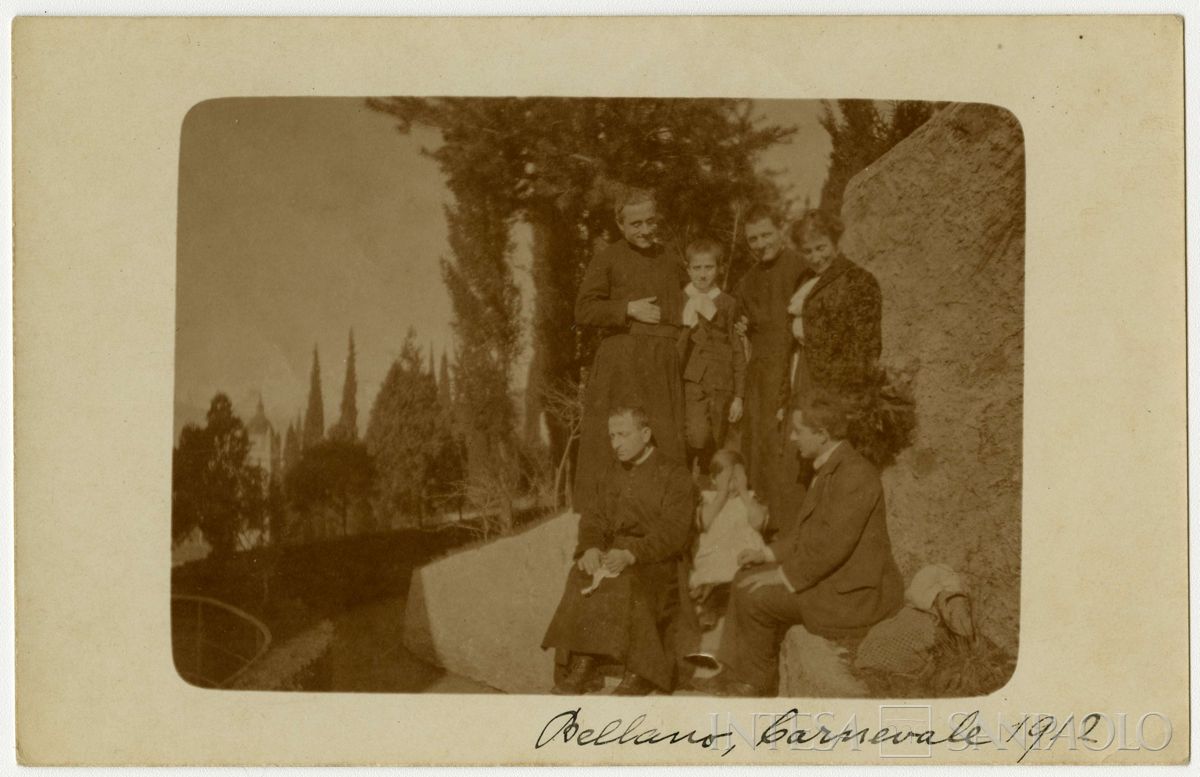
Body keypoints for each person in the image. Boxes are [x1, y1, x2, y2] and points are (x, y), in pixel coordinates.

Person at [695, 394, 904, 697]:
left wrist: (782, 576)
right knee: (743, 576)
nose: (792, 438)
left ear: (822, 434)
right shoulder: (832, 466)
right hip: (833, 580)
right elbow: (806, 533)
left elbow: (832, 547)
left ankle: (755, 683)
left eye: (798, 431)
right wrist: (765, 554)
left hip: (853, 595)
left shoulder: (855, 474)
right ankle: (733, 671)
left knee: (756, 594)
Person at [542, 406, 696, 696]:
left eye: (623, 435)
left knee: (627, 582)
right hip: (614, 553)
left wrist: (632, 553)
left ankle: (641, 672)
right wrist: (590, 548)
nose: (616, 444)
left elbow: (674, 532)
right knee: (581, 576)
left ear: (646, 434)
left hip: (658, 560)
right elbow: (595, 518)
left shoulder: (674, 475)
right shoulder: (611, 473)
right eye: (612, 436)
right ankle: (585, 663)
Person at [573, 189, 688, 516]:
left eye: (650, 221)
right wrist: (627, 309)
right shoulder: (607, 258)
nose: (644, 230)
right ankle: (607, 519)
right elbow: (584, 309)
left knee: (663, 439)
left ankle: (665, 513)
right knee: (619, 441)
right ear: (620, 225)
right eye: (635, 224)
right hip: (622, 364)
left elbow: (693, 301)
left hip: (663, 363)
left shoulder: (670, 258)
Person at [734, 205, 812, 535]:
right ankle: (767, 530)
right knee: (761, 448)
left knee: (792, 446)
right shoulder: (747, 281)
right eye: (753, 239)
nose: (761, 243)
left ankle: (796, 530)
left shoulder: (801, 266)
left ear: (780, 229)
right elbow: (743, 327)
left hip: (795, 364)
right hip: (760, 374)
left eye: (766, 234)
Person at [778, 209, 882, 416]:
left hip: (836, 382)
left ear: (835, 243)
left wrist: (851, 397)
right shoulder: (804, 280)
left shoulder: (858, 279)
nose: (816, 257)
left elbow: (867, 344)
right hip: (802, 370)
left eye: (821, 248)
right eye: (808, 251)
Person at [678, 238, 746, 475]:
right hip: (692, 381)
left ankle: (711, 489)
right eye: (697, 268)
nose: (703, 274)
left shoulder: (728, 303)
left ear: (719, 269)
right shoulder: (681, 300)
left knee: (719, 439)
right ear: (688, 269)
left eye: (709, 267)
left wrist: (739, 395)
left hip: (722, 383)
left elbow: (737, 349)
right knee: (697, 435)